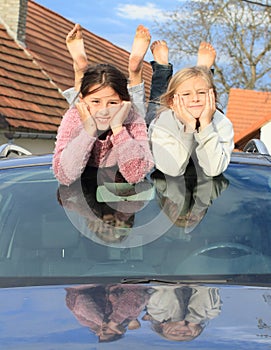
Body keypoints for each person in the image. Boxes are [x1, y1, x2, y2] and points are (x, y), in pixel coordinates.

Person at [52, 24, 154, 186]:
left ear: (123, 103)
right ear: (84, 101)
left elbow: (136, 174)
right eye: (96, 102)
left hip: (123, 202)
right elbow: (65, 175)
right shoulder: (74, 116)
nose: (104, 110)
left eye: (113, 103)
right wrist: (89, 130)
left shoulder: (132, 117)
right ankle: (80, 70)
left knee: (137, 112)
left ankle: (135, 72)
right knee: (77, 108)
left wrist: (118, 128)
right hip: (82, 204)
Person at [148, 41, 234, 177]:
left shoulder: (223, 123)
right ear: (172, 102)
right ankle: (162, 68)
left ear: (213, 97)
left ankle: (201, 72)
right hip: (165, 119)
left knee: (199, 82)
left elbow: (213, 170)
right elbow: (173, 170)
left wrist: (206, 126)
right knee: (156, 105)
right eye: (187, 94)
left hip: (204, 193)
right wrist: (188, 128)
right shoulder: (161, 122)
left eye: (202, 93)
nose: (195, 98)